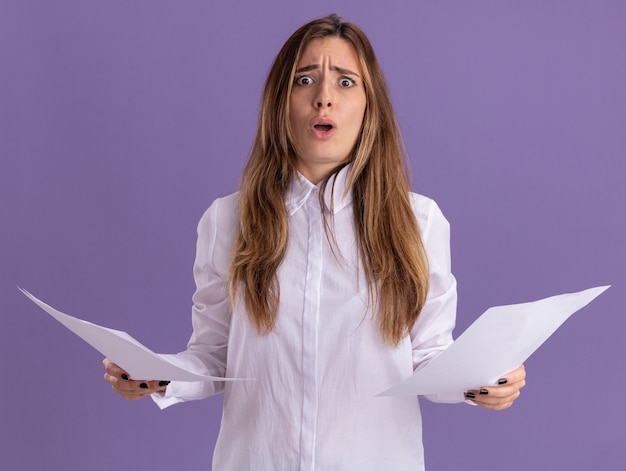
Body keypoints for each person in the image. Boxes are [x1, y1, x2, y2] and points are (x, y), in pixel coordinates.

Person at [103, 14, 526, 470]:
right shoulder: (227, 220)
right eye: (305, 80)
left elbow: (427, 358)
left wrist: (481, 380)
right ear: (281, 103)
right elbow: (214, 355)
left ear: (369, 106)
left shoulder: (418, 221)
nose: (324, 97)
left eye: (346, 82)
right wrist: (158, 376)